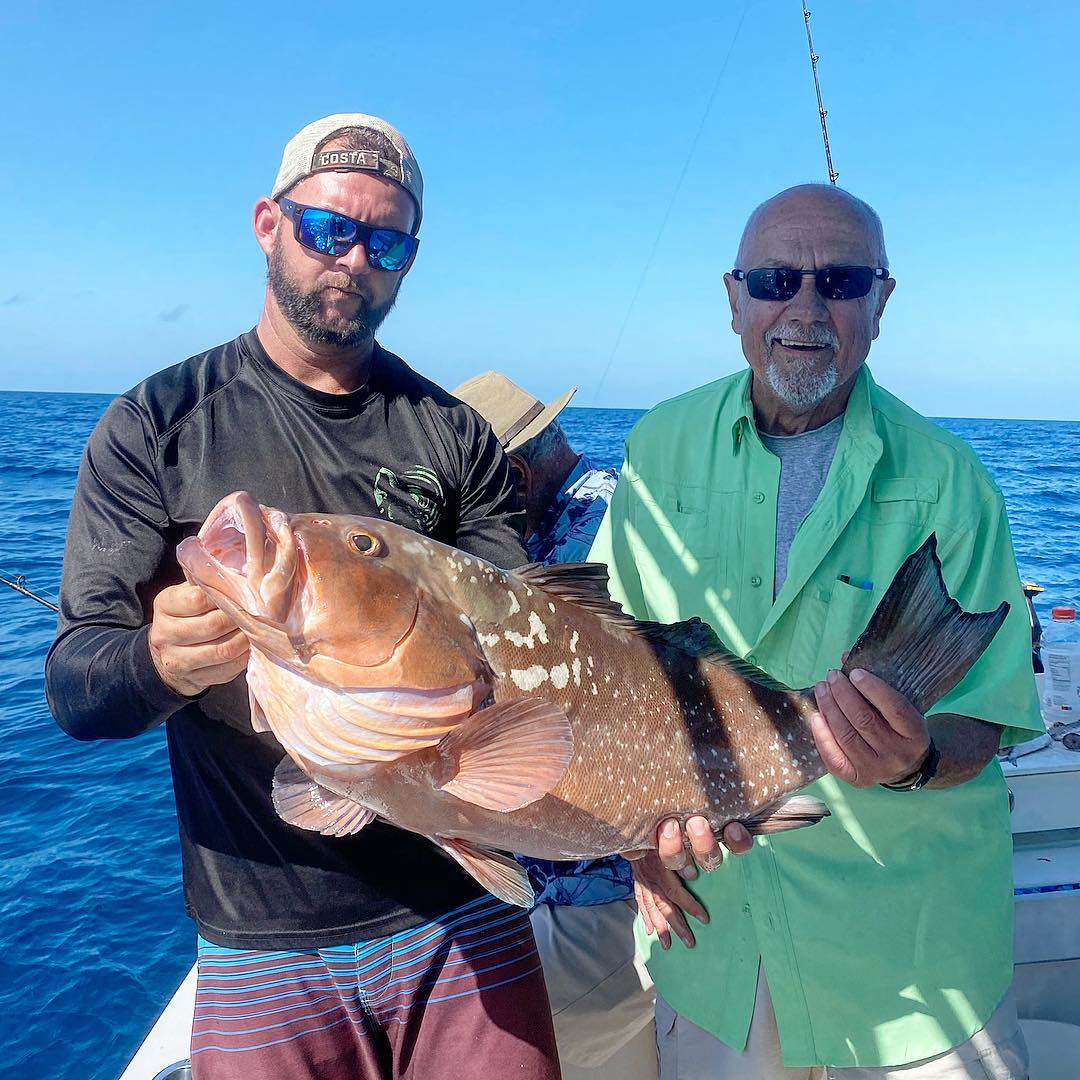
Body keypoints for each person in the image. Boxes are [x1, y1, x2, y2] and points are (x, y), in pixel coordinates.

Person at [45, 114, 561, 1080]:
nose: (355, 259)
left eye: (388, 241)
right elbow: (77, 687)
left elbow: (514, 646)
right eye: (330, 228)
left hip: (459, 905)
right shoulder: (152, 426)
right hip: (257, 936)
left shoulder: (456, 439)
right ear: (267, 223)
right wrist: (157, 663)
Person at [587, 184, 1042, 1080]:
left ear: (881, 302)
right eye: (773, 279)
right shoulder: (659, 446)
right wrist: (635, 838)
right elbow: (607, 668)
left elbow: (984, 721)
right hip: (716, 930)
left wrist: (911, 760)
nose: (804, 306)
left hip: (908, 953)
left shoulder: (953, 483)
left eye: (839, 280)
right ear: (733, 300)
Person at [452, 371, 658, 1080]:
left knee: (476, 1053)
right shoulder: (615, 498)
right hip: (583, 882)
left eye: (469, 489)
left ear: (510, 473)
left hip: (601, 895)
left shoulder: (584, 546)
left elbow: (627, 711)